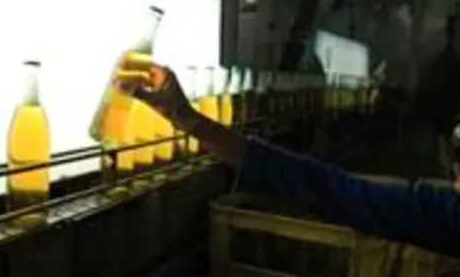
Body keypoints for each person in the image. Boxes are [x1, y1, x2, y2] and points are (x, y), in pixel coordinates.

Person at [118, 64, 460, 258]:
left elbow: (331, 191)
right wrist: (187, 118)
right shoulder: (445, 215)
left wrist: (188, 119)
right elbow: (330, 189)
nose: (451, 167)